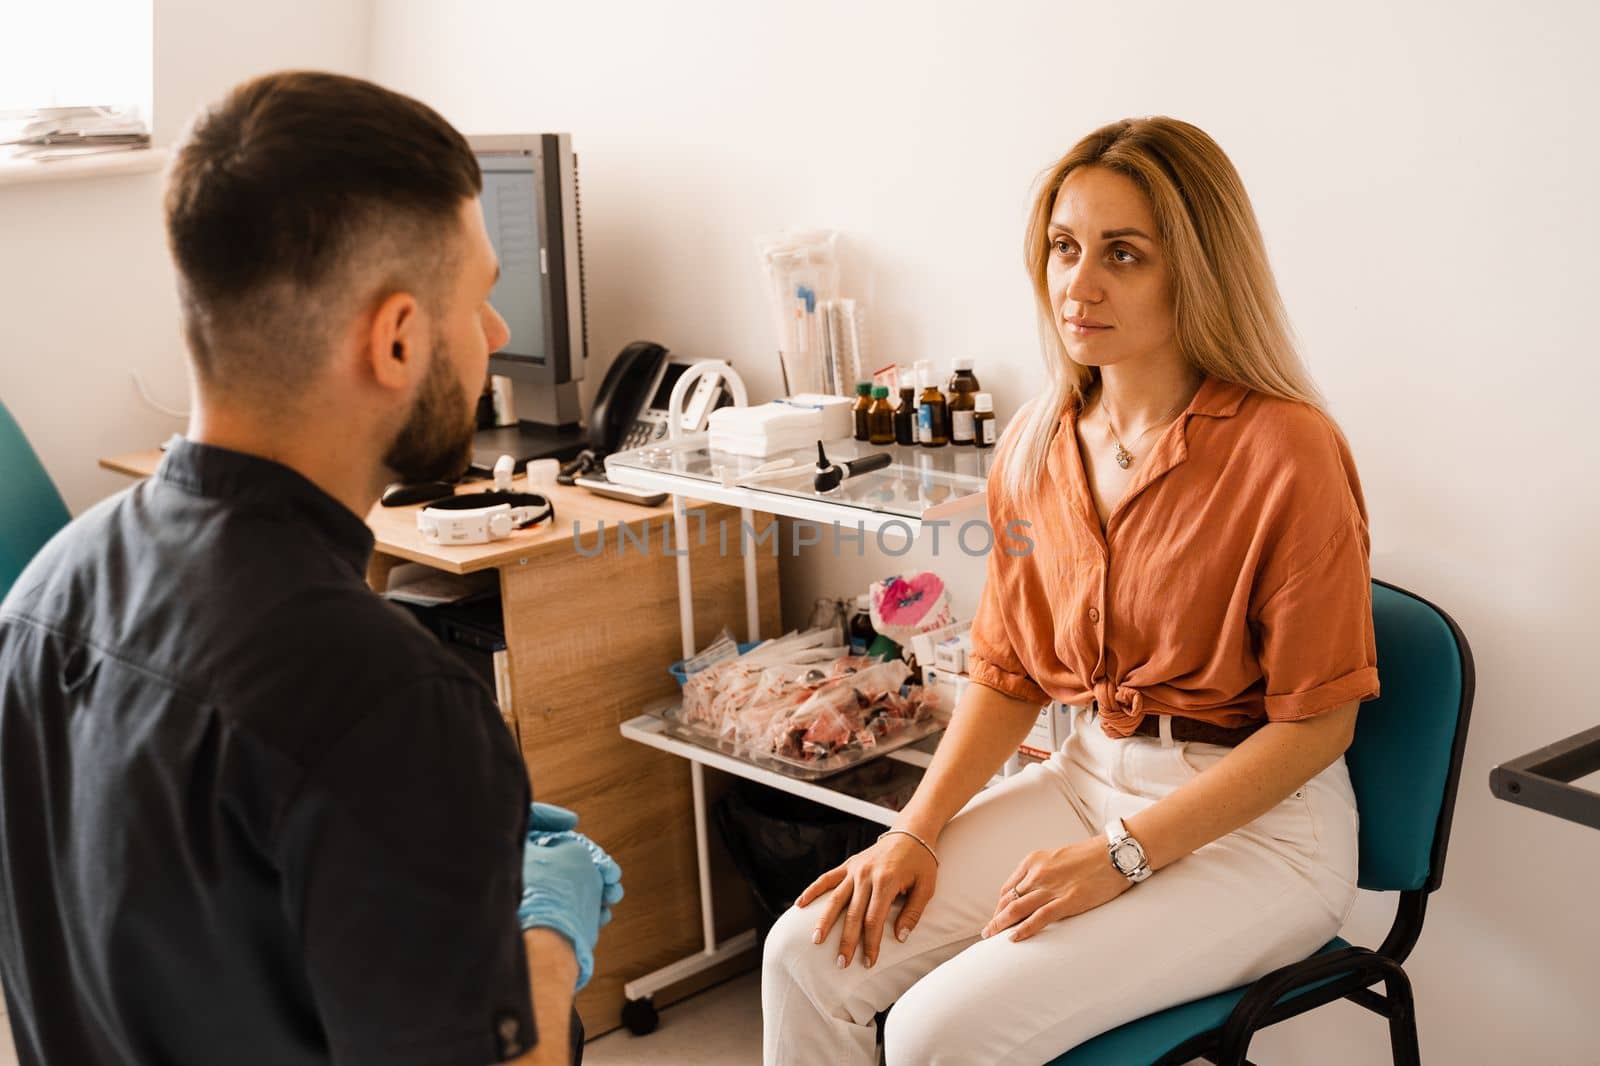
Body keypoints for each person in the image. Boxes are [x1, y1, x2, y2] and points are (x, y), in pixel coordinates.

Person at [0, 71, 620, 1066]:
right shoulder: (389, 700)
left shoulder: (42, 595)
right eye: (481, 302)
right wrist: (548, 933)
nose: (498, 338)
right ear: (398, 338)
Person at [762, 116, 1380, 1065]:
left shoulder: (1287, 451)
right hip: (1088, 777)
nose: (1076, 285)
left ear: (1198, 271)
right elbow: (1007, 674)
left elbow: (1318, 726)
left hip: (1258, 836)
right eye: (1063, 246)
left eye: (1122, 254)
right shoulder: (1038, 442)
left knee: (938, 1033)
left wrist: (1125, 857)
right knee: (805, 952)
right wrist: (914, 833)